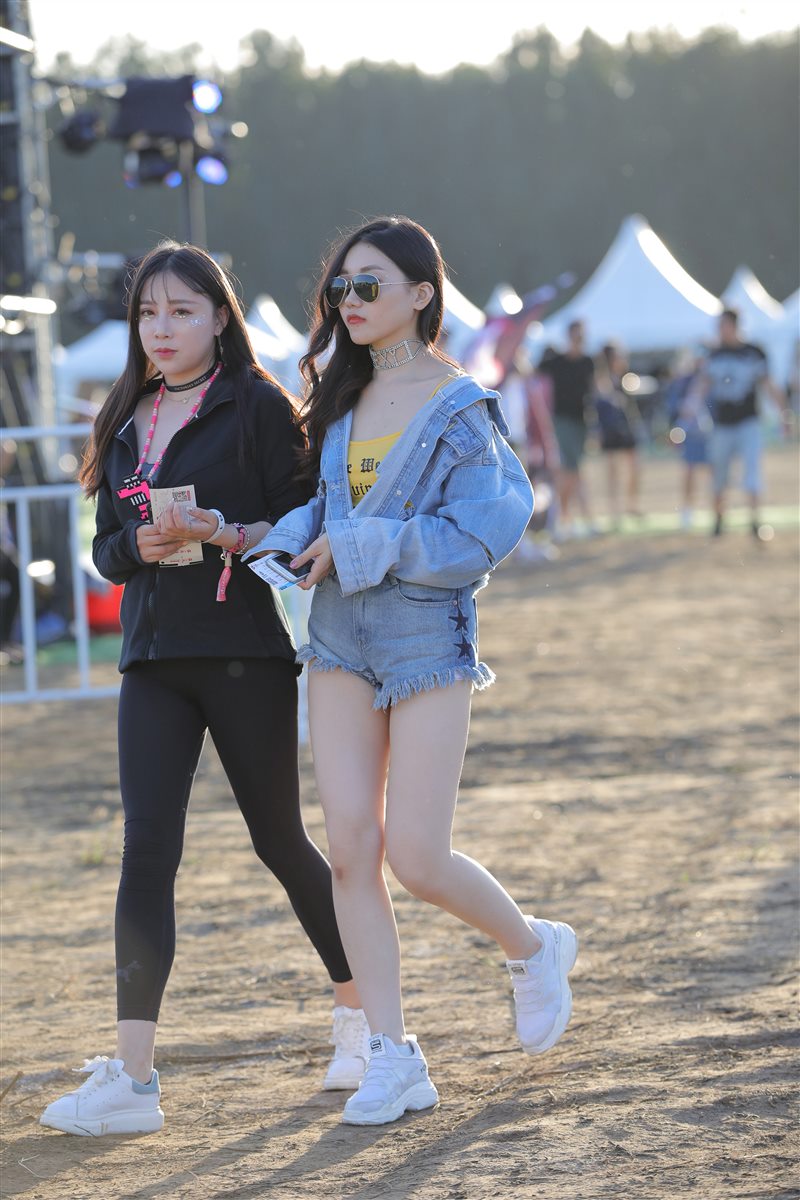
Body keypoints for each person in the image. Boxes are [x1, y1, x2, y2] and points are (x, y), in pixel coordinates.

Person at [248, 215, 578, 1127]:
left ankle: (531, 946)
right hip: (338, 638)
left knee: (418, 856)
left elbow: (487, 530)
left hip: (426, 636)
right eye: (340, 288)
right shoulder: (340, 396)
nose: (349, 302)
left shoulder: (461, 407)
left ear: (422, 294)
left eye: (369, 286)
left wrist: (368, 544)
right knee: (351, 849)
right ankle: (393, 1056)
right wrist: (283, 542)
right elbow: (328, 507)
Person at [39, 242, 369, 1139]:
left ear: (220, 317)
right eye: (148, 312)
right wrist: (135, 546)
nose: (162, 328)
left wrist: (227, 530)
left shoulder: (257, 405)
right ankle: (133, 1079)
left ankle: (360, 1018)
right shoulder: (125, 413)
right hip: (151, 661)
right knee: (145, 852)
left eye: (181, 310)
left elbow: (303, 523)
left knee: (279, 840)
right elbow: (105, 548)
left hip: (243, 654)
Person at [694, 308, 790, 536]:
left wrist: (784, 413)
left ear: (735, 326)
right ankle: (718, 520)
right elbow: (702, 385)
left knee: (752, 471)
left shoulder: (753, 353)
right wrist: (689, 410)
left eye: (723, 325)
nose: (720, 330)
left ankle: (755, 521)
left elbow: (768, 384)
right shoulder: (713, 354)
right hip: (722, 424)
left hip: (749, 422)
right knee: (718, 473)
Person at [535, 319, 597, 539]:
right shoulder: (556, 362)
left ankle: (567, 518)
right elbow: (534, 376)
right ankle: (572, 518)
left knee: (573, 470)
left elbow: (594, 390)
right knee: (571, 468)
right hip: (562, 420)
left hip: (581, 420)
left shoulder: (588, 362)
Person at [593, 342, 643, 528]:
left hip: (625, 427)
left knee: (635, 467)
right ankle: (615, 511)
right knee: (613, 471)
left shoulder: (625, 378)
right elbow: (603, 400)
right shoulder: (602, 379)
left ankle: (631, 505)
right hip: (610, 430)